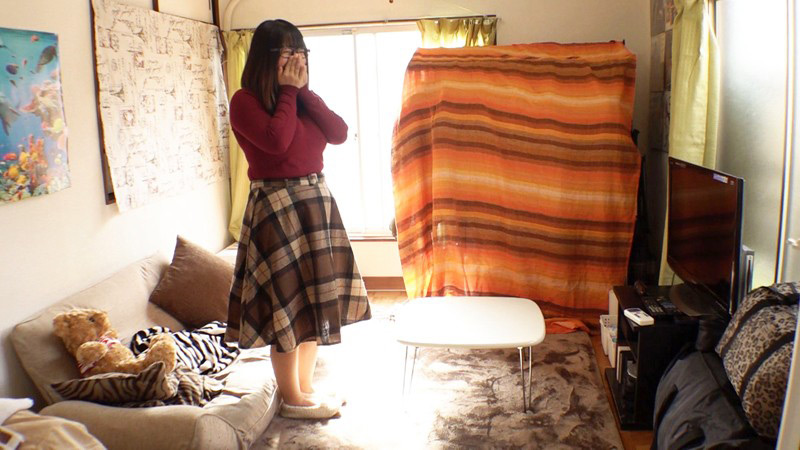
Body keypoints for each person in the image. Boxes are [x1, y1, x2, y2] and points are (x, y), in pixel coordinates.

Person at [224, 19, 371, 420]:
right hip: (276, 206)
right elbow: (277, 142)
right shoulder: (244, 101)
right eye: (287, 52)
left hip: (315, 202)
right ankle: (291, 398)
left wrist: (303, 93)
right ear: (266, 58)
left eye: (301, 51)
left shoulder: (301, 99)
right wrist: (290, 92)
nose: (297, 59)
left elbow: (338, 133)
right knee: (285, 308)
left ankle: (305, 388)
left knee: (312, 308)